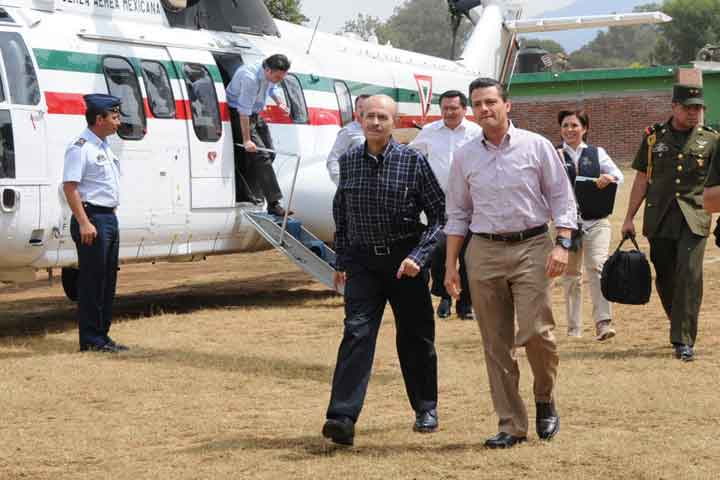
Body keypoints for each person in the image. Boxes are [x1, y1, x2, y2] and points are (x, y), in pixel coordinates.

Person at [445, 78, 576, 449]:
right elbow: (457, 213)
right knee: (495, 343)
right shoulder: (465, 156)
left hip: (532, 246)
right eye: (478, 104)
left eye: (490, 102)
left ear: (507, 105)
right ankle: (511, 424)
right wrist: (451, 264)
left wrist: (562, 244)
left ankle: (544, 397)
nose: (484, 109)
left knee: (536, 332)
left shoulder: (536, 146)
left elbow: (562, 198)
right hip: (483, 250)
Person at [322, 95, 446, 446]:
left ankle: (425, 408)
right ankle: (341, 418)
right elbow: (342, 215)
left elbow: (440, 215)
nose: (375, 122)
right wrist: (342, 261)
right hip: (363, 265)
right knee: (356, 334)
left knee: (415, 338)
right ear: (360, 119)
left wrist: (419, 257)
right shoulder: (348, 162)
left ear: (395, 122)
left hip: (405, 264)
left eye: (383, 117)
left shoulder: (413, 161)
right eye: (370, 116)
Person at [622, 84, 719, 362]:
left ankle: (683, 340)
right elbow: (642, 178)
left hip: (695, 217)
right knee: (665, 277)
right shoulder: (654, 138)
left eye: (698, 108)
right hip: (660, 217)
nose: (693, 113)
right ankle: (678, 320)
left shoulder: (712, 140)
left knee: (689, 274)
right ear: (674, 106)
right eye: (688, 108)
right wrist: (628, 217)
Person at [62, 94, 128, 353]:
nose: (118, 122)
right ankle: (91, 339)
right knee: (92, 280)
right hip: (92, 218)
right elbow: (70, 188)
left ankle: (102, 335)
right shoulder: (80, 147)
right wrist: (84, 222)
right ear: (99, 119)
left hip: (108, 217)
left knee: (108, 279)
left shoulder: (104, 146)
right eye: (114, 117)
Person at [410, 90, 481, 320]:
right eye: (445, 109)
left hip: (470, 204)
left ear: (464, 109)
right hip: (438, 204)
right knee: (439, 253)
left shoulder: (476, 133)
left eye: (454, 108)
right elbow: (412, 155)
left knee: (469, 256)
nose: (449, 112)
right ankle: (444, 297)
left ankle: (465, 303)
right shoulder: (429, 131)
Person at [557, 109, 623, 340]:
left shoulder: (597, 153)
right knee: (570, 275)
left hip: (596, 221)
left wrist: (609, 178)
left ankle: (603, 322)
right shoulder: (554, 154)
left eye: (574, 125)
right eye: (565, 126)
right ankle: (574, 328)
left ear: (585, 128)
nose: (569, 130)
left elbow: (618, 176)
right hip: (567, 225)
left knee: (597, 267)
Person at [226, 54, 292, 217]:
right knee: (261, 156)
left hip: (255, 113)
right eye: (277, 77)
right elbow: (243, 111)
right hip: (239, 114)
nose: (278, 80)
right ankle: (274, 204)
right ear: (268, 70)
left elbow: (272, 87)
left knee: (270, 153)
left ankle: (254, 190)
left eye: (282, 78)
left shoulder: (269, 74)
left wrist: (279, 102)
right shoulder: (250, 78)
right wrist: (247, 140)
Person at [327, 94, 371, 186]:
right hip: (356, 187)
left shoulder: (378, 130)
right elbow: (333, 159)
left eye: (367, 107)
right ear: (355, 110)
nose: (364, 110)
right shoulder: (348, 131)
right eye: (360, 107)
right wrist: (342, 184)